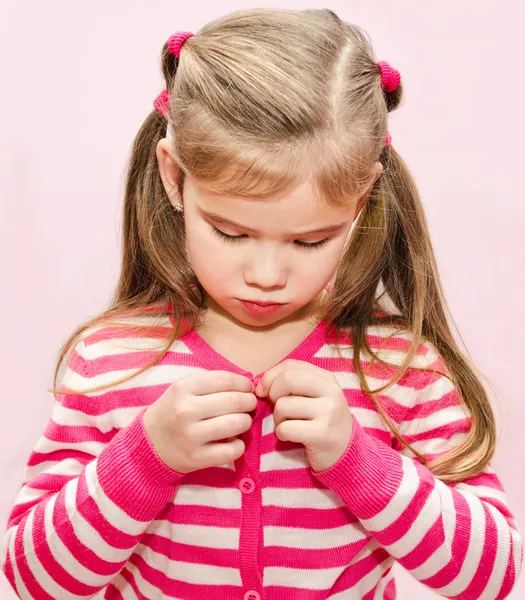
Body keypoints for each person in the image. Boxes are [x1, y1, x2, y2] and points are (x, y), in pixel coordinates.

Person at [1, 7, 522, 600]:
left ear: (363, 197)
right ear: (174, 176)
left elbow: (492, 574)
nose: (267, 275)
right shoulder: (114, 360)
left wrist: (359, 462)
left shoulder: (397, 367)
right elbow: (34, 580)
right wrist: (144, 459)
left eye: (310, 240)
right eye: (231, 232)